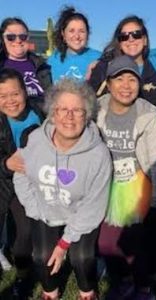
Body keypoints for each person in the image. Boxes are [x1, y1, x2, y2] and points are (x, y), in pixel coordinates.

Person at [13, 78, 112, 300]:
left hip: (80, 214)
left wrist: (65, 243)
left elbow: (93, 206)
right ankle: (51, 292)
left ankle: (87, 292)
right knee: (41, 256)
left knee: (82, 257)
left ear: (87, 116)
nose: (69, 116)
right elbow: (21, 174)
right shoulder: (36, 139)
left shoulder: (98, 154)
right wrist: (35, 209)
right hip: (45, 209)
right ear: (52, 113)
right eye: (62, 109)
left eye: (77, 110)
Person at [96, 55, 156, 300]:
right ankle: (125, 280)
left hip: (138, 184)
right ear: (108, 84)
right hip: (106, 184)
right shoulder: (94, 110)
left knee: (136, 245)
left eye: (132, 79)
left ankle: (143, 288)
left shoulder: (148, 115)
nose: (126, 85)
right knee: (107, 244)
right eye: (119, 79)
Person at [0, 68, 45, 298]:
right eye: (3, 96)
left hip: (44, 179)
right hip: (11, 185)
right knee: (23, 233)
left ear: (25, 93)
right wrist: (6, 163)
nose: (10, 101)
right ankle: (23, 274)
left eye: (15, 94)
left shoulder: (41, 111)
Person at [89, 15, 156, 110]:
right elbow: (88, 99)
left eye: (136, 34)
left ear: (145, 40)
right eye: (124, 36)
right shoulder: (103, 68)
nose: (131, 39)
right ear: (119, 43)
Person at [0, 17, 52, 108]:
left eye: (23, 36)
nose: (18, 40)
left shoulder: (42, 66)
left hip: (42, 118)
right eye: (11, 37)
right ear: (2, 40)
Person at [48, 6, 100, 82]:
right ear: (63, 34)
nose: (77, 36)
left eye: (81, 31)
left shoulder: (99, 58)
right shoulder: (53, 59)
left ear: (88, 34)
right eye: (71, 31)